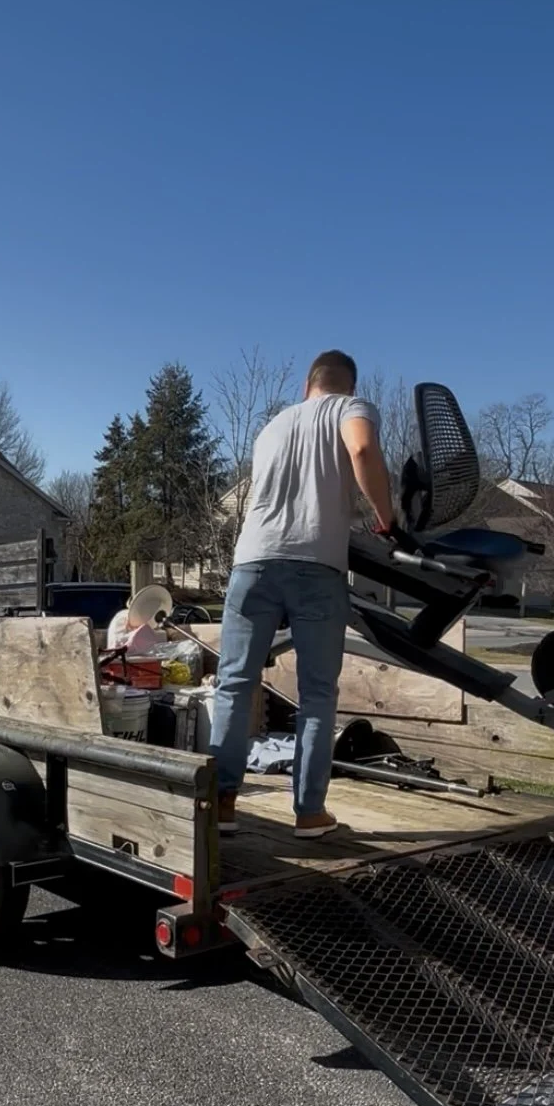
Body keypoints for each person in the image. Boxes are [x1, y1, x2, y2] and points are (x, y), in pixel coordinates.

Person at [209, 349, 394, 838]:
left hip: (252, 562)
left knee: (234, 684)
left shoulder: (272, 426)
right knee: (316, 694)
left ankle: (222, 804)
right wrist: (385, 516)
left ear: (306, 385)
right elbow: (361, 451)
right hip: (316, 567)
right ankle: (309, 813)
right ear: (348, 386)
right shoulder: (351, 409)